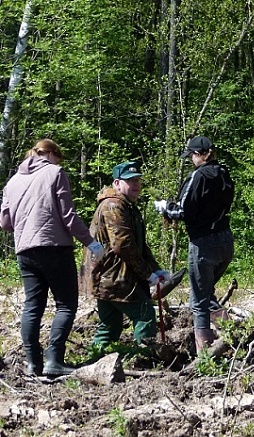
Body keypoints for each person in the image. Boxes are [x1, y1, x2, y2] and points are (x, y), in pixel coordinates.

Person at [0, 139, 105, 376]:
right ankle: (54, 360)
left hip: (25, 251)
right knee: (66, 304)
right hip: (54, 247)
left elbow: (5, 223)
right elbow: (68, 217)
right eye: (58, 156)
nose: (59, 161)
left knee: (32, 306)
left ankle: (32, 363)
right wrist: (92, 243)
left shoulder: (13, 182)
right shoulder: (55, 173)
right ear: (49, 153)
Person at [154, 136, 235, 353]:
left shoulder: (198, 177)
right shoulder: (223, 173)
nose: (190, 159)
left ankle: (205, 353)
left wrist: (164, 207)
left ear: (200, 155)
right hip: (225, 240)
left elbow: (182, 211)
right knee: (206, 294)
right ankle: (232, 338)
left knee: (198, 301)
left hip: (203, 243)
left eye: (192, 155)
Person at [82, 161, 168, 350]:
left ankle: (96, 361)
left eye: (138, 180)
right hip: (114, 277)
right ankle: (144, 359)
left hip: (110, 277)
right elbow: (123, 245)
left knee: (110, 324)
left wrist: (155, 269)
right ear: (117, 183)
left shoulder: (128, 205)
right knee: (144, 316)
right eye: (130, 181)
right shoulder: (114, 205)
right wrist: (147, 274)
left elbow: (139, 244)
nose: (136, 185)